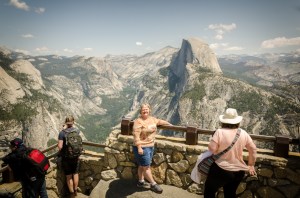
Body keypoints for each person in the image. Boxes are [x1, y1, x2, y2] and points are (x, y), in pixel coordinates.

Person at [204, 108, 257, 198]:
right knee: (230, 194)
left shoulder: (219, 132)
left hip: (221, 169)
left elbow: (212, 149)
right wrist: (251, 165)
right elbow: (253, 149)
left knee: (209, 191)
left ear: (223, 121)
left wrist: (213, 142)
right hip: (239, 171)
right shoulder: (243, 133)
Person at [132, 103, 172, 194]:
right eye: (143, 110)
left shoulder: (152, 119)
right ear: (140, 111)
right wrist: (139, 147)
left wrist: (169, 124)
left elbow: (159, 121)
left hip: (150, 146)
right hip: (142, 147)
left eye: (147, 109)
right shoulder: (138, 122)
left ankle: (141, 182)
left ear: (150, 110)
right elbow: (136, 136)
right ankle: (153, 184)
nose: (145, 111)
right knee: (146, 167)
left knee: (142, 165)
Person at [58, 115, 81, 197]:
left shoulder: (62, 133)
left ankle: (71, 194)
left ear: (66, 122)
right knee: (75, 174)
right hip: (76, 156)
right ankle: (75, 191)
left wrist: (63, 129)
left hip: (66, 158)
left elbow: (60, 147)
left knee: (68, 176)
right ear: (73, 122)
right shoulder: (77, 130)